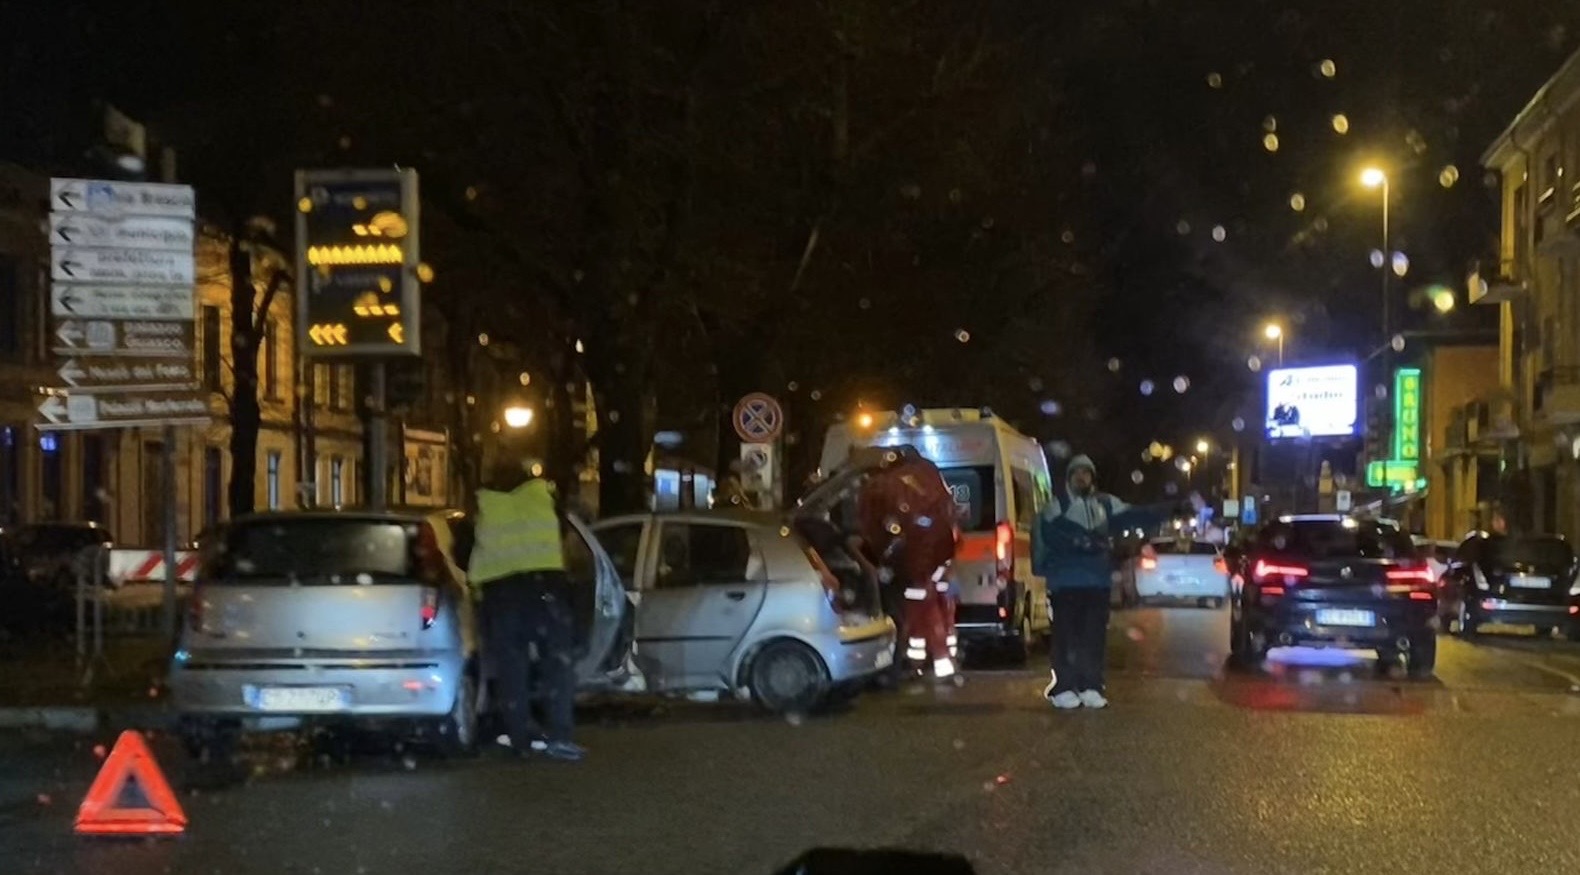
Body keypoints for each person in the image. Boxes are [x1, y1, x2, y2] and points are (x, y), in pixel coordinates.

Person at [1032, 454, 1173, 710]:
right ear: (1069, 478)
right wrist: (1083, 541)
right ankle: (1064, 687)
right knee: (1066, 637)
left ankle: (1091, 686)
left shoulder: (1106, 504)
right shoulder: (1057, 505)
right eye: (1077, 473)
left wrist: (1166, 510)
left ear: (1092, 478)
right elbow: (1051, 536)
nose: (1082, 477)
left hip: (1097, 583)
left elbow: (1134, 515)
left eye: (1086, 473)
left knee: (1093, 638)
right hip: (1065, 584)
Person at [468, 458, 585, 761]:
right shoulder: (542, 498)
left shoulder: (486, 505)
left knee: (512, 668)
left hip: (502, 595)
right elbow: (566, 539)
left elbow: (465, 549)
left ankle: (519, 738)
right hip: (545, 590)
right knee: (556, 666)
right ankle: (559, 736)